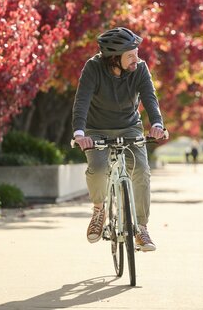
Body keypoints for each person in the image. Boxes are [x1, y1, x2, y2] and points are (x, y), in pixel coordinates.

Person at [72, 27, 166, 252]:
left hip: (130, 128)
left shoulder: (140, 69)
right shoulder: (93, 68)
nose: (137, 58)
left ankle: (141, 228)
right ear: (115, 58)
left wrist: (157, 124)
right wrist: (79, 133)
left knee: (141, 170)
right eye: (130, 55)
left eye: (136, 53)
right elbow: (82, 101)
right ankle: (98, 211)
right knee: (97, 167)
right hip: (96, 129)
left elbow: (150, 98)